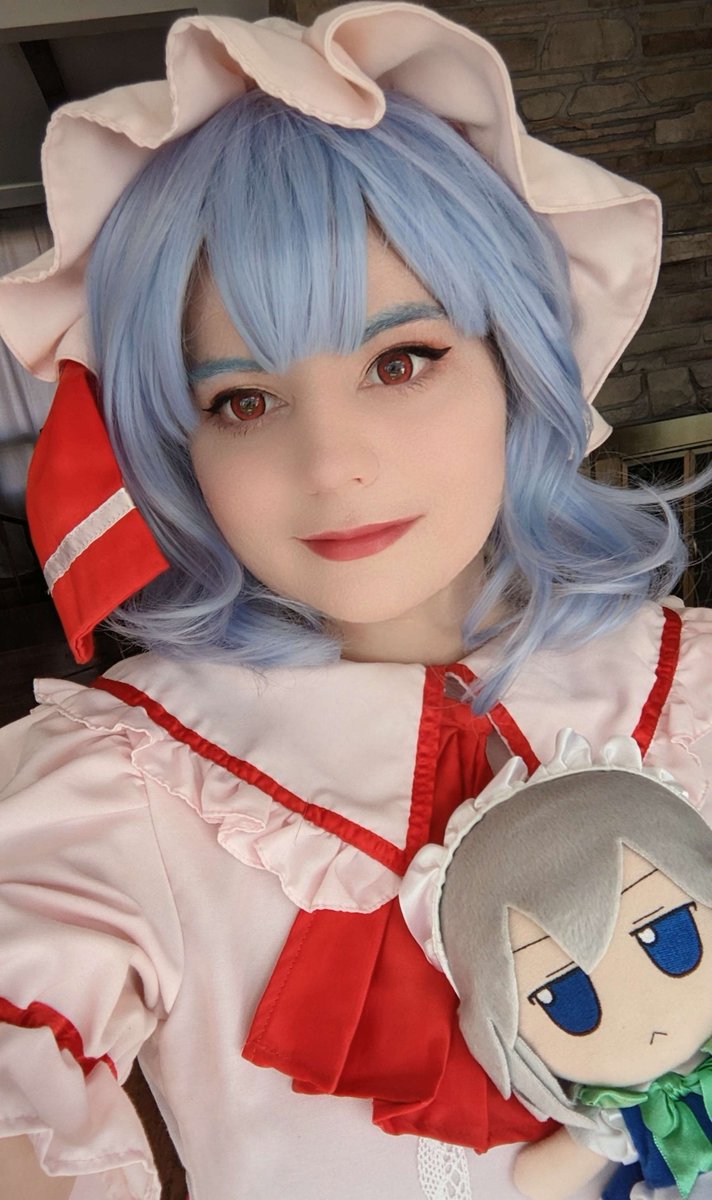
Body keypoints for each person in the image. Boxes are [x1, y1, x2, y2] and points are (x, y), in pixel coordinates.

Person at [0, 5, 710, 1199]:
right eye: (242, 401)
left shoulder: (686, 689)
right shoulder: (127, 784)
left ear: (516, 366)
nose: (329, 465)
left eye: (400, 360)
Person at [401, 730, 712, 1199]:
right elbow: (537, 1181)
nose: (643, 1016)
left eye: (671, 937)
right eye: (566, 999)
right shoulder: (621, 1116)